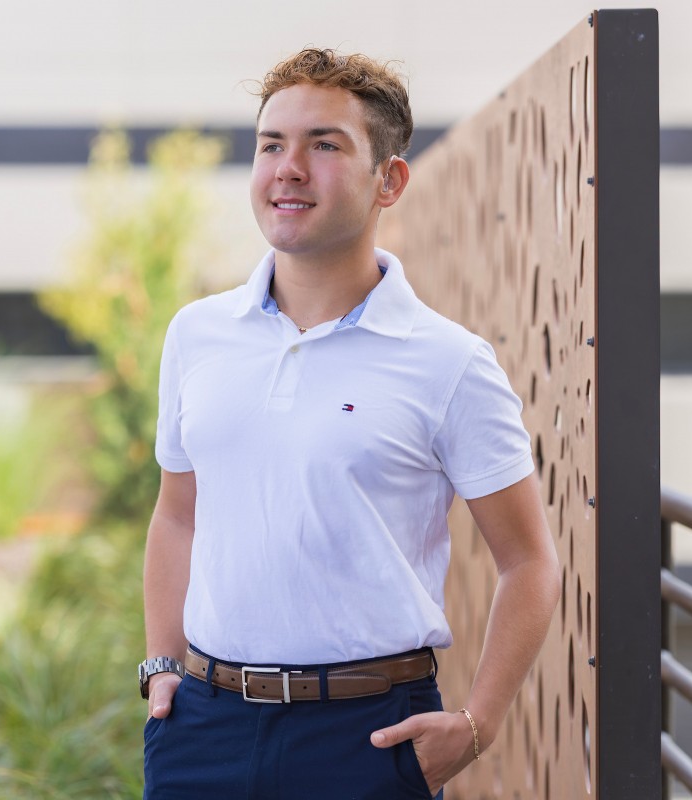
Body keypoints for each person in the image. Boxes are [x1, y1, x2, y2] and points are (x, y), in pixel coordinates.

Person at [138, 48, 561, 799]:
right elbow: (178, 516)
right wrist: (162, 670)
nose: (288, 168)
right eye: (272, 144)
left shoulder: (449, 363)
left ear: (389, 180)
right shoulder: (196, 334)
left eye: (324, 145)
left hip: (368, 739)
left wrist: (479, 723)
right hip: (201, 731)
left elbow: (529, 561)